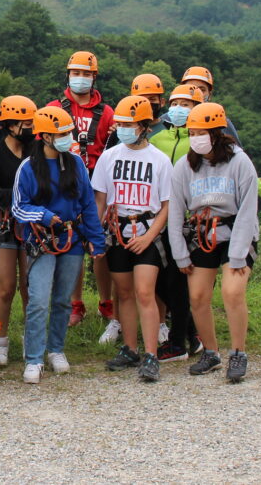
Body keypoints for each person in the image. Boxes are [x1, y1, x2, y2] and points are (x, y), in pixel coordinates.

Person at [13, 106, 106, 385]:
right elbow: (19, 206)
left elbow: (87, 203)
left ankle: (56, 349)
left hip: (72, 239)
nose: (66, 137)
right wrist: (42, 215)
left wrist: (96, 240)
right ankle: (33, 357)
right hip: (41, 241)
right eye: (60, 133)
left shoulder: (75, 163)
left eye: (68, 132)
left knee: (63, 299)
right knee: (39, 300)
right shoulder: (28, 167)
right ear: (45, 136)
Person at [167, 102, 259, 383]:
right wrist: (180, 254)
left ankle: (238, 353)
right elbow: (175, 209)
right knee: (197, 296)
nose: (196, 137)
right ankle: (211, 352)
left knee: (232, 292)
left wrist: (240, 253)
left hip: (234, 233)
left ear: (216, 133)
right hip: (201, 234)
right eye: (192, 132)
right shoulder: (185, 166)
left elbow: (247, 209)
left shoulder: (239, 162)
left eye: (201, 132)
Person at [91, 96, 173, 382]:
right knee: (123, 293)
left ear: (143, 126)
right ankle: (130, 348)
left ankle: (151, 354)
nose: (123, 129)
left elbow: (167, 206)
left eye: (129, 124)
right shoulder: (109, 156)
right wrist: (95, 235)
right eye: (120, 124)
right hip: (117, 232)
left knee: (144, 292)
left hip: (146, 232)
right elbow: (100, 200)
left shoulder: (160, 161)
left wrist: (150, 236)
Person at [46, 51, 115, 328]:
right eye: (76, 73)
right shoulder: (54, 107)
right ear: (68, 75)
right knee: (70, 242)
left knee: (100, 243)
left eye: (86, 74)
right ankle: (76, 303)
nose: (81, 78)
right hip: (64, 182)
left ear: (94, 77)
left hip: (97, 184)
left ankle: (106, 301)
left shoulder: (107, 113)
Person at [180, 66, 261, 218]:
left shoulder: (220, 125)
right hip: (176, 208)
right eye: (190, 88)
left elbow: (241, 166)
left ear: (209, 94)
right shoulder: (167, 126)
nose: (196, 93)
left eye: (202, 89)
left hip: (212, 208)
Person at [0, 95, 37, 366]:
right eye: (24, 123)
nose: (29, 128)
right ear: (10, 124)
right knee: (4, 286)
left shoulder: (36, 150)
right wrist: (15, 197)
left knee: (29, 284)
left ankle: (31, 339)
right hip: (3, 221)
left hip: (33, 222)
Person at [149, 84, 207, 362]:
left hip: (188, 222)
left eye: (187, 104)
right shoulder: (158, 139)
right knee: (161, 281)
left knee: (177, 282)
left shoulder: (200, 143)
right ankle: (192, 334)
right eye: (176, 103)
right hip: (160, 218)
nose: (179, 109)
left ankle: (177, 342)